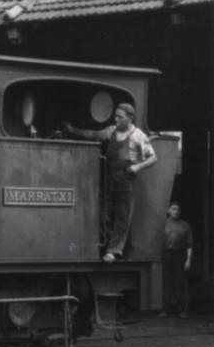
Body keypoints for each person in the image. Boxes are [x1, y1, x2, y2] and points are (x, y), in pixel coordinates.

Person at [62, 103, 157, 262]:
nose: (116, 119)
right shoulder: (111, 131)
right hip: (110, 175)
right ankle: (104, 247)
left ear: (130, 118)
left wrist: (137, 167)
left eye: (120, 117)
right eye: (115, 116)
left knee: (122, 215)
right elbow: (93, 134)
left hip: (126, 177)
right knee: (105, 211)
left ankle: (114, 251)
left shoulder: (138, 135)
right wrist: (72, 130)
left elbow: (153, 158)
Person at [160, 202, 194, 318]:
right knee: (166, 283)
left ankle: (183, 311)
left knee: (181, 284)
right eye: (174, 209)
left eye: (178, 210)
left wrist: (188, 260)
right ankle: (165, 309)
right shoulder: (163, 224)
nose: (176, 211)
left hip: (180, 257)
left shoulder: (185, 225)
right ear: (169, 210)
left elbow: (190, 245)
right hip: (166, 256)